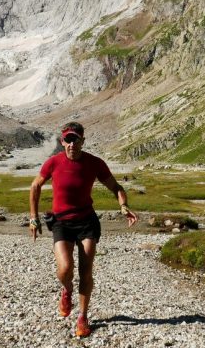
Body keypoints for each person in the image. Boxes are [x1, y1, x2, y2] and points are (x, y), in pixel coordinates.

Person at [29, 121, 138, 338]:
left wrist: (123, 206)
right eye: (67, 140)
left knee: (86, 270)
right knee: (64, 268)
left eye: (75, 140)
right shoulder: (53, 162)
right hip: (61, 222)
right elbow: (35, 185)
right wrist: (33, 218)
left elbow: (116, 187)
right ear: (62, 142)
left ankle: (83, 316)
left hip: (87, 222)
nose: (71, 144)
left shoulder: (95, 163)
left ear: (82, 141)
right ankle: (66, 289)